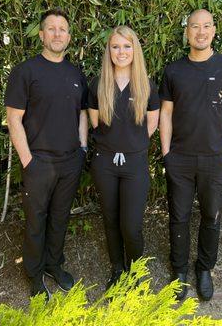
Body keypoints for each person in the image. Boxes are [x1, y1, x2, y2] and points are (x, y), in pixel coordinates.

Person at [159, 9, 222, 301]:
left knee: (211, 216)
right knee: (179, 217)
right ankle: (180, 271)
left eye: (206, 26)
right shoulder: (173, 71)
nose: (200, 32)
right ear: (187, 33)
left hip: (215, 158)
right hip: (180, 158)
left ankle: (204, 269)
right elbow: (166, 114)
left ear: (214, 30)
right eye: (194, 27)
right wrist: (167, 153)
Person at [5, 8, 88, 301]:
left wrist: (82, 148)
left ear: (68, 36)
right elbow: (14, 118)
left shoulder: (75, 73)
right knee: (36, 221)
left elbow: (82, 114)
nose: (57, 34)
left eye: (62, 29)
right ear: (41, 35)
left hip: (70, 161)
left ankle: (54, 264)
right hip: (39, 161)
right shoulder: (26, 71)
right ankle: (35, 273)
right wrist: (28, 160)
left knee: (60, 217)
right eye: (51, 29)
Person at [88, 26, 160, 289]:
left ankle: (136, 270)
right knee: (110, 218)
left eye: (127, 46)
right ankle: (117, 269)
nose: (121, 52)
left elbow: (151, 125)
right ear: (109, 50)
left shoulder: (147, 85)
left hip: (135, 163)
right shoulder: (98, 84)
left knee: (131, 225)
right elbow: (95, 122)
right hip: (104, 162)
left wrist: (130, 145)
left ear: (135, 50)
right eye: (116, 46)